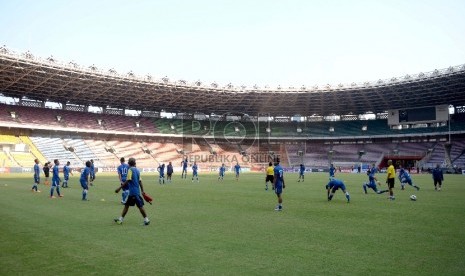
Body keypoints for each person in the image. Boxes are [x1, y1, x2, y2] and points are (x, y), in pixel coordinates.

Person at [114, 158, 150, 226]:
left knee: (140, 206)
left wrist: (119, 188)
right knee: (127, 205)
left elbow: (128, 180)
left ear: (128, 164)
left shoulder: (130, 170)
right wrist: (142, 191)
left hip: (133, 192)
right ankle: (120, 219)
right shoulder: (137, 170)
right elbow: (140, 181)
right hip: (136, 191)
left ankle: (146, 219)